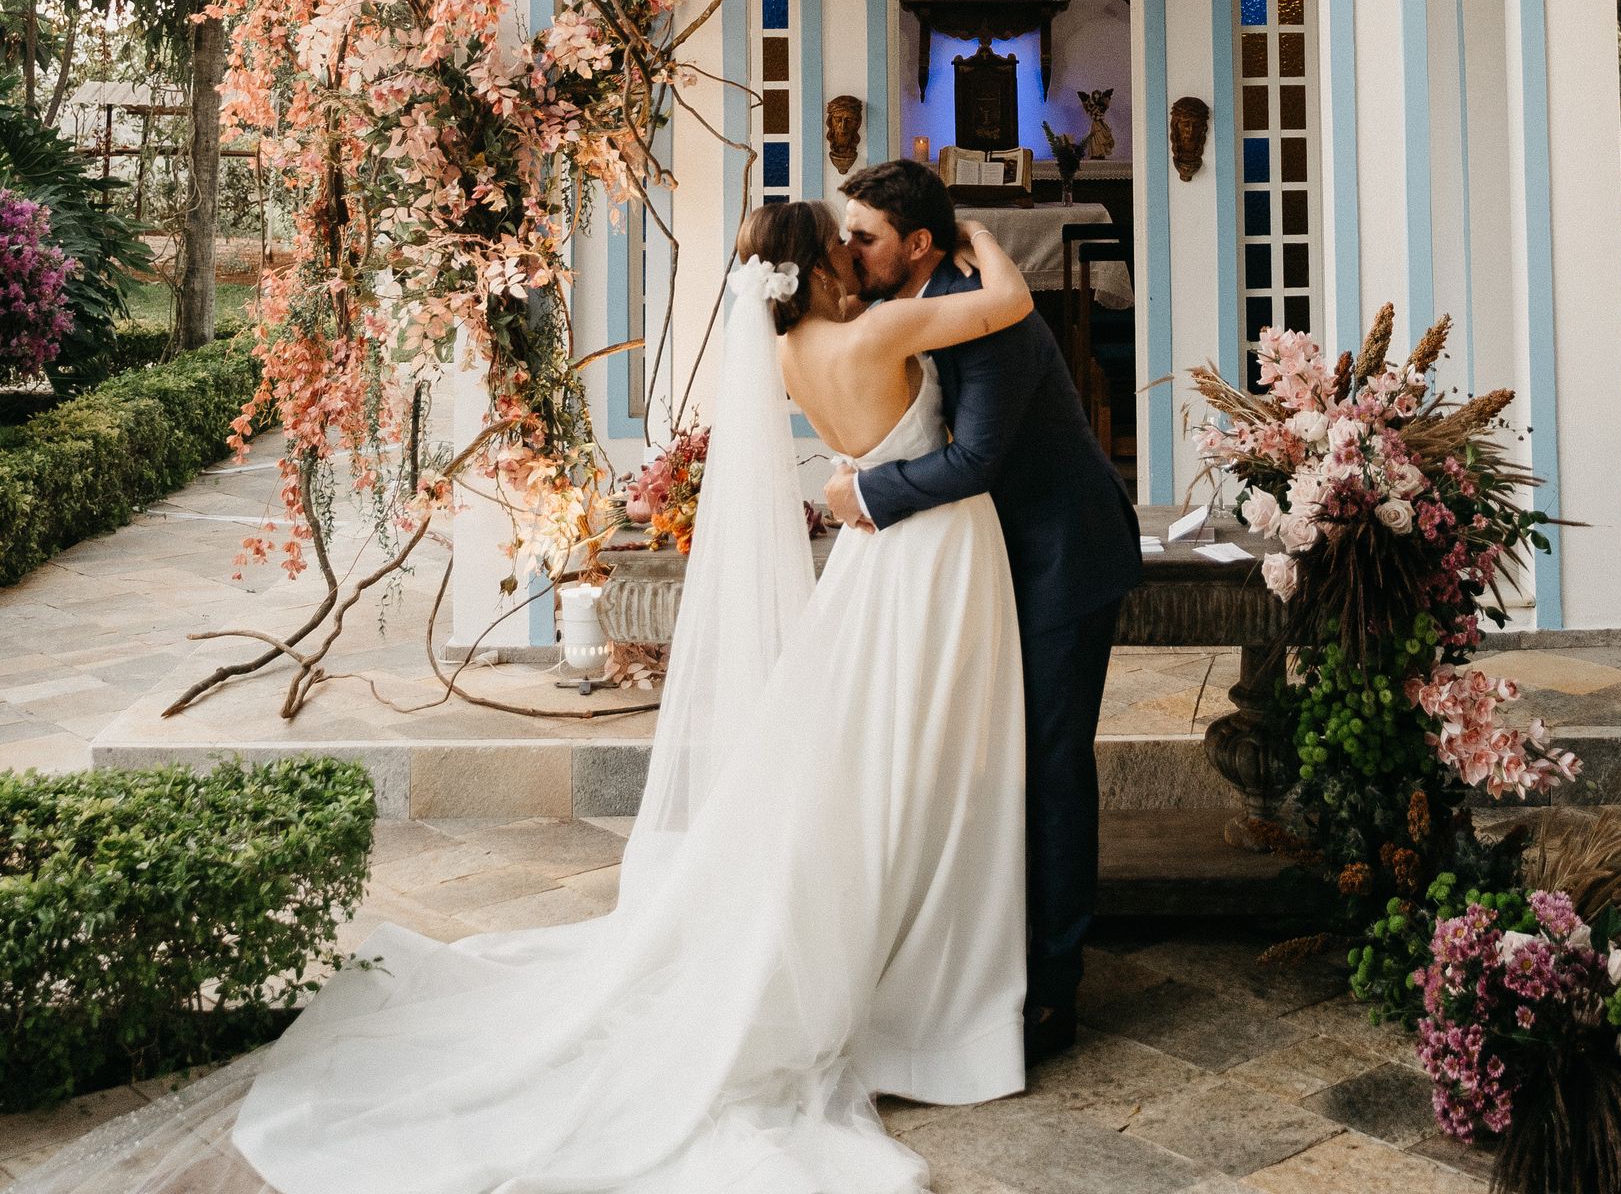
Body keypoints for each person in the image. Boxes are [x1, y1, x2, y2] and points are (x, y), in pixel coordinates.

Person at [53, 200, 1039, 1194]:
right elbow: (1009, 300)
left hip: (872, 563)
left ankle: (889, 943)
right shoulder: (883, 328)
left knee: (873, 751)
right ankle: (929, 969)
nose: (856, 249)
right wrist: (968, 229)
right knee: (928, 755)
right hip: (925, 555)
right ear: (821, 260)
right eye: (845, 238)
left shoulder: (791, 357)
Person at [826, 158, 1142, 1066]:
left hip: (1061, 555)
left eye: (865, 238)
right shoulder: (923, 296)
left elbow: (976, 463)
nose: (849, 251)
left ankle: (1053, 991)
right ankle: (984, 955)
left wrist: (867, 494)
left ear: (916, 246)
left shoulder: (984, 315)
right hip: (994, 562)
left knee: (1049, 765)